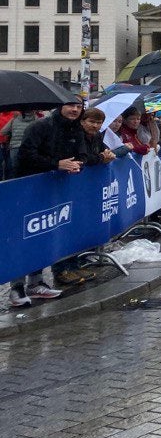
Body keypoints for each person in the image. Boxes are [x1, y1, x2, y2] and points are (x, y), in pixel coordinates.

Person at [9, 100, 92, 305]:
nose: (75, 110)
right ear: (60, 107)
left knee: (44, 236)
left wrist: (77, 164)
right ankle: (16, 288)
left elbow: (82, 154)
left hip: (55, 191)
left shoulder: (76, 130)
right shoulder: (40, 126)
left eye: (79, 107)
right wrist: (56, 164)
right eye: (71, 105)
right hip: (29, 190)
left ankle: (36, 283)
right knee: (25, 237)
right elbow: (25, 155)